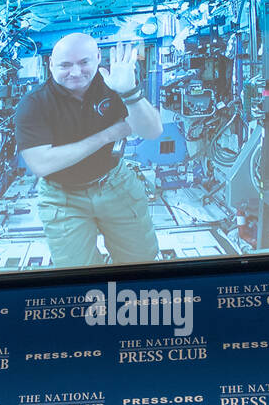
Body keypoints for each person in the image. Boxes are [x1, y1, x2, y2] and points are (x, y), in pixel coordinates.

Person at [14, 31, 162, 268]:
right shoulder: (33, 104)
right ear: (50, 64)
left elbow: (152, 131)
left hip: (115, 183)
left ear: (97, 58)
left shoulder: (113, 87)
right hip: (61, 197)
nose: (75, 72)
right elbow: (42, 164)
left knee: (141, 261)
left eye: (84, 63)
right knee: (75, 271)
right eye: (65, 65)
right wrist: (108, 135)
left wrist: (130, 92)